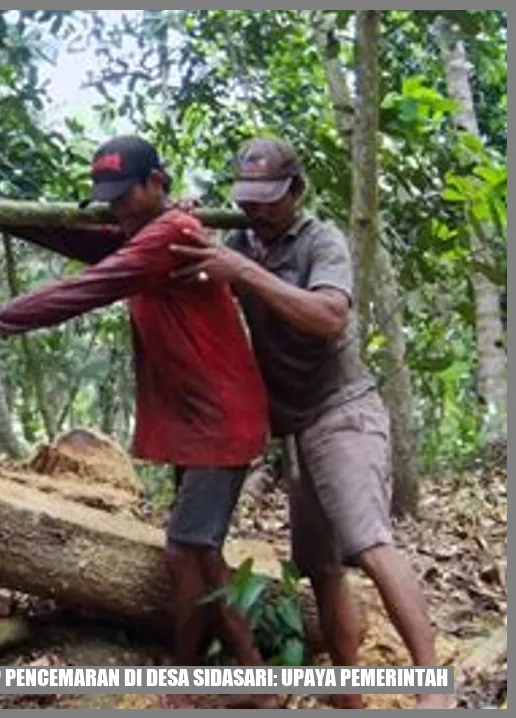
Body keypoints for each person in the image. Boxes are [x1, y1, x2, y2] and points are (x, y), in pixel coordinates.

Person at [0, 136, 277, 709]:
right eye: (109, 198)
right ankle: (256, 679)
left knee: (184, 548)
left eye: (126, 195)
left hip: (220, 417)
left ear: (156, 184)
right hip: (200, 416)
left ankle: (187, 685)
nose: (118, 208)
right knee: (202, 550)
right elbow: (74, 238)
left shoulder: (170, 234)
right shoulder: (145, 231)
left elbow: (88, 287)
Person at [169, 136, 449, 709]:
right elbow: (159, 264)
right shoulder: (238, 238)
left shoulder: (322, 241)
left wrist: (243, 272)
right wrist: (184, 228)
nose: (256, 211)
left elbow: (328, 316)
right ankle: (349, 695)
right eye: (247, 199)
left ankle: (434, 685)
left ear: (296, 191)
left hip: (343, 411)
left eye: (269, 199)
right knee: (321, 567)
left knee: (369, 542)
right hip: (294, 425)